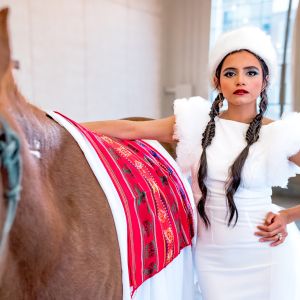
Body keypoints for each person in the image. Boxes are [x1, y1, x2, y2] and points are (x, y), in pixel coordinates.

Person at [82, 26, 300, 299]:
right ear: (217, 81)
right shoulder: (195, 124)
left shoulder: (279, 135)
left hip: (265, 253)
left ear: (264, 81)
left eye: (251, 72)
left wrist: (287, 216)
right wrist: (62, 125)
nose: (240, 80)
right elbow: (131, 129)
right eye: (230, 73)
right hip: (212, 258)